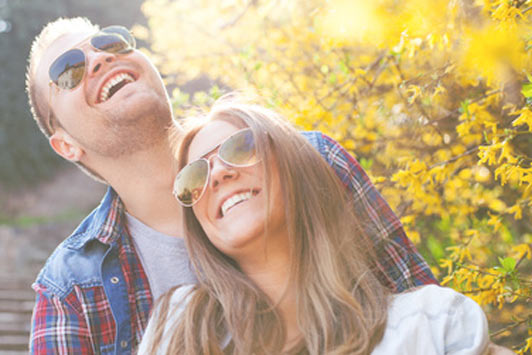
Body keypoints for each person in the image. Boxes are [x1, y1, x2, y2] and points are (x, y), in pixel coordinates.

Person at [25, 17, 438, 353]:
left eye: (109, 41)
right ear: (65, 145)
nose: (98, 59)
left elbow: (430, 321)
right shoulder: (70, 288)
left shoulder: (311, 161)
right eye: (69, 70)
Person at [139, 99, 489, 354]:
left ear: (297, 167)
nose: (217, 173)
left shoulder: (434, 323)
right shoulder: (179, 329)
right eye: (194, 176)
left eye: (241, 147)